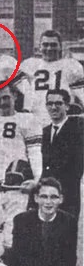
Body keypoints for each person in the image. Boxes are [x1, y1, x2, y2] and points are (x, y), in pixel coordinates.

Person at [14, 30, 84, 124]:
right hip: (35, 119)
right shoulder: (29, 64)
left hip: (61, 120)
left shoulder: (71, 65)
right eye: (45, 44)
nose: (49, 48)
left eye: (53, 45)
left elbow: (82, 94)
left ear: (60, 47)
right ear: (39, 47)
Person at [41, 89, 83, 218]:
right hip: (47, 193)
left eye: (58, 103)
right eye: (50, 104)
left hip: (69, 192)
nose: (53, 107)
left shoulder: (78, 127)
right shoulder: (44, 131)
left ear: (67, 106)